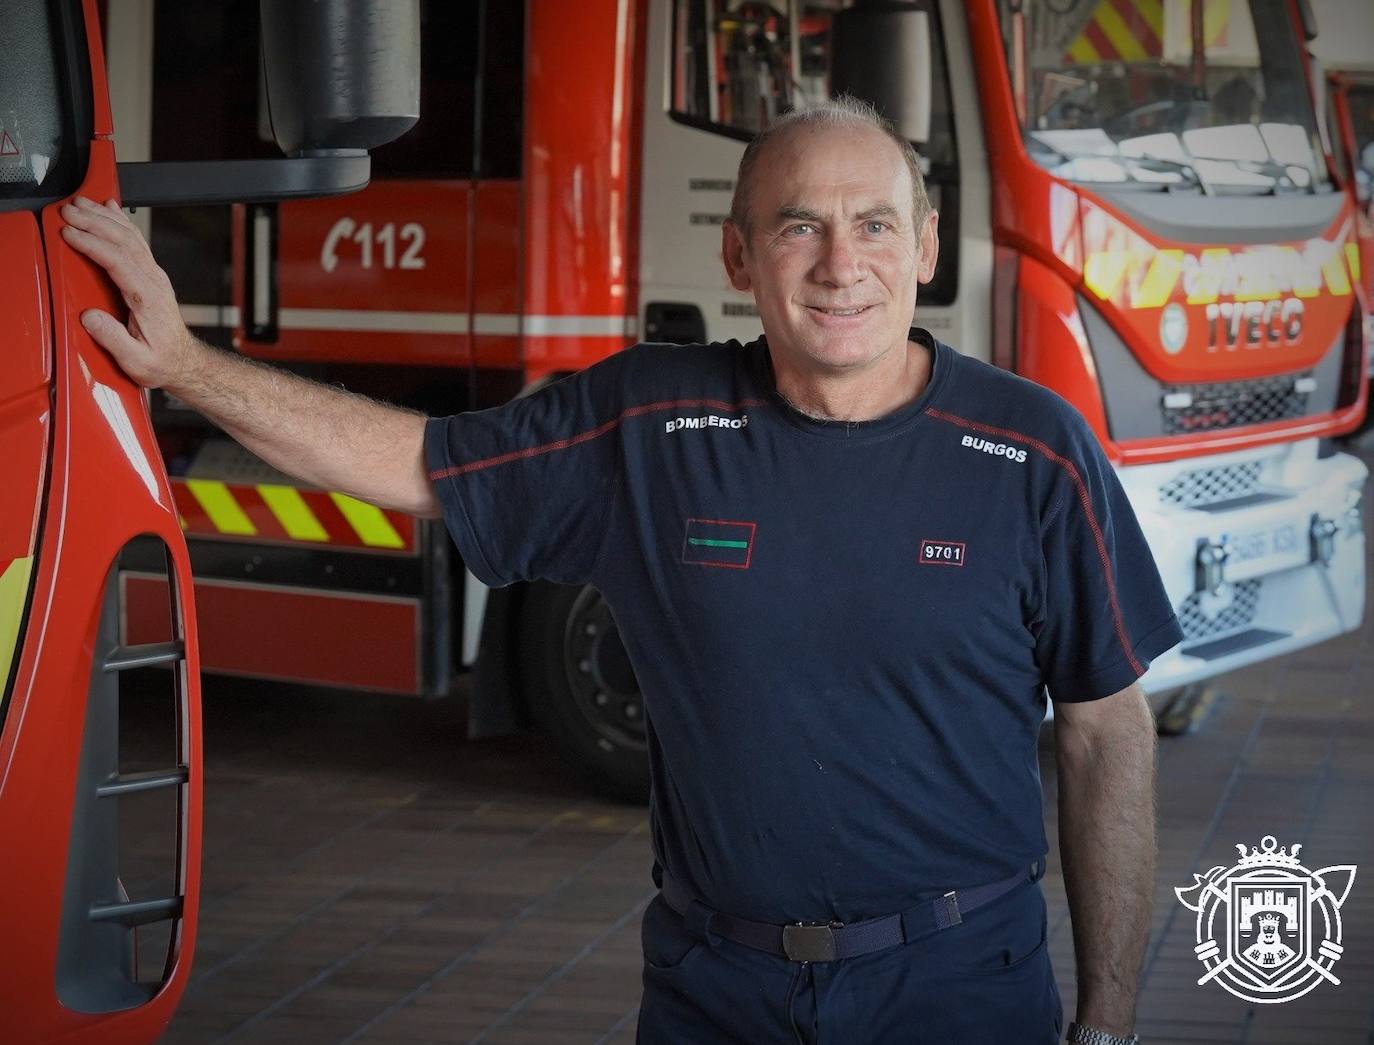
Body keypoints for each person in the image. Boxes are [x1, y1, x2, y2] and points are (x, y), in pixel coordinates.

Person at [62, 96, 1181, 1045]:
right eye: (800, 228)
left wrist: (1107, 1020)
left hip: (960, 986)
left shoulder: (1035, 451)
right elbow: (415, 462)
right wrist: (184, 366)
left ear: (926, 248)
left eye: (876, 225)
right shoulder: (651, 417)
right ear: (738, 255)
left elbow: (1106, 730)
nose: (844, 265)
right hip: (715, 990)